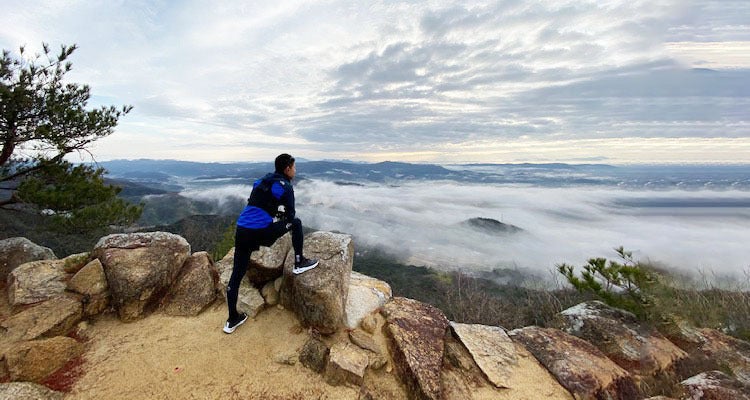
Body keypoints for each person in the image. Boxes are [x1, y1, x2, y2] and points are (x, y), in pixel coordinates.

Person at [223, 153, 319, 334]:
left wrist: (273, 213)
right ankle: (299, 262)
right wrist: (281, 216)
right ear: (287, 169)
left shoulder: (261, 181)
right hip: (261, 233)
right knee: (296, 223)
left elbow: (258, 204)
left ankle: (232, 319)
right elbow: (290, 215)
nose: (295, 170)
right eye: (294, 167)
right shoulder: (286, 187)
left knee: (236, 275)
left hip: (242, 230)